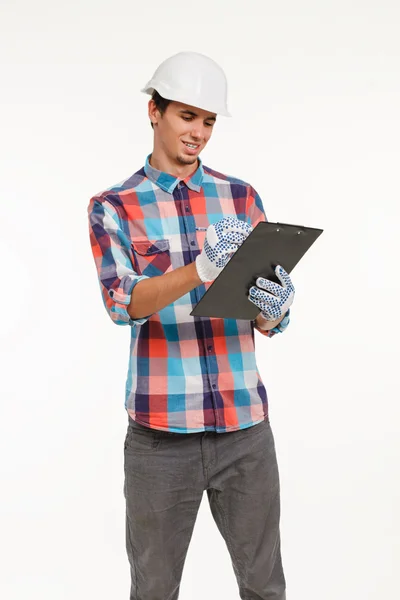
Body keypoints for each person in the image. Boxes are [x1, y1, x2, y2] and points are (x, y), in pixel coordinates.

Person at [87, 51, 295, 600]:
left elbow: (264, 315)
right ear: (154, 112)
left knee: (264, 586)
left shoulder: (241, 198)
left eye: (208, 121)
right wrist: (200, 269)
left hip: (244, 429)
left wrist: (274, 306)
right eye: (186, 115)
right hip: (160, 438)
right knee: (154, 589)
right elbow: (121, 302)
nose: (198, 132)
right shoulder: (114, 207)